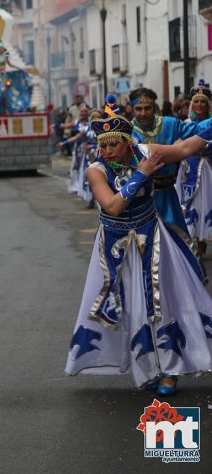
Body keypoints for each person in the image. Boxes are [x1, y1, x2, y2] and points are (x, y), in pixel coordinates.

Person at [65, 95, 212, 396]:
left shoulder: (147, 150)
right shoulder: (97, 170)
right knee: (130, 307)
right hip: (116, 248)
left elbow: (186, 147)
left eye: (112, 145)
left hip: (153, 239)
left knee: (163, 304)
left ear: (126, 141)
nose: (106, 151)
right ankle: (145, 369)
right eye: (102, 145)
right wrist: (143, 173)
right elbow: (113, 206)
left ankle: (170, 370)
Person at [129, 87, 199, 233]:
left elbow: (196, 130)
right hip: (140, 197)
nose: (143, 113)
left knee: (177, 242)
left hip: (168, 195)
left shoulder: (170, 124)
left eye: (147, 108)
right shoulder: (126, 131)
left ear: (154, 107)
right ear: (132, 109)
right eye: (138, 108)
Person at [176, 80, 212, 257]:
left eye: (203, 101)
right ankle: (194, 242)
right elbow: (180, 144)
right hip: (189, 169)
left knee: (207, 202)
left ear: (208, 104)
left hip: (208, 169)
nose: (199, 105)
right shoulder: (186, 123)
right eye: (196, 101)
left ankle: (202, 239)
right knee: (191, 205)